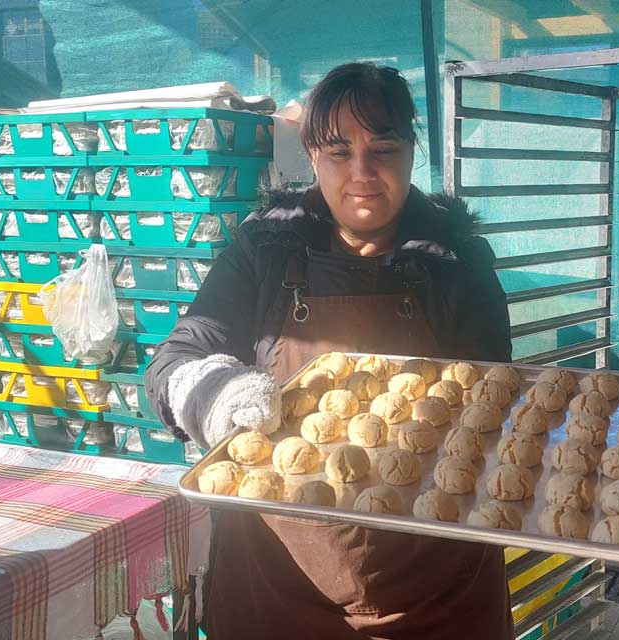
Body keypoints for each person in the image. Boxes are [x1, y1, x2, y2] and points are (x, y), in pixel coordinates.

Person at [145, 63, 514, 638]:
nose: (363, 173)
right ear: (312, 157)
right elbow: (172, 362)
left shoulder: (457, 261)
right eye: (339, 152)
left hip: (433, 591)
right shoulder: (264, 250)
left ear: (412, 152)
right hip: (277, 585)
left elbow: (498, 402)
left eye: (383, 148)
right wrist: (212, 392)